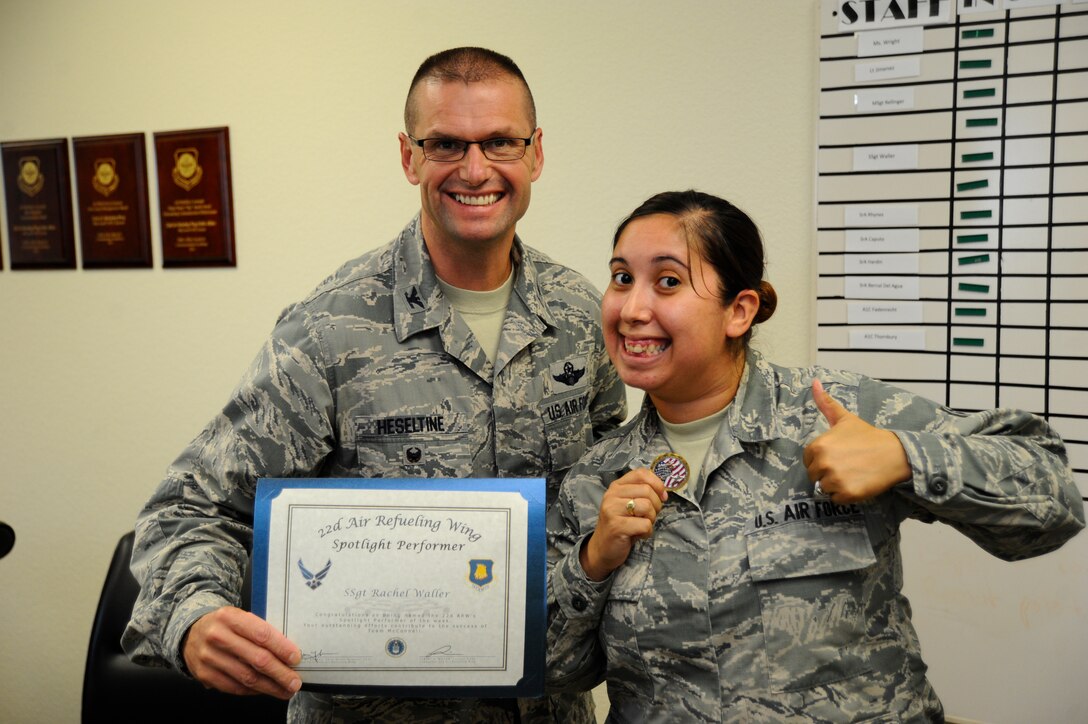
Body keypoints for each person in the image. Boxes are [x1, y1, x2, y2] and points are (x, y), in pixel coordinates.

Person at [122, 47, 626, 723]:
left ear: (535, 153)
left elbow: (606, 498)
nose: (475, 169)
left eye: (500, 142)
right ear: (409, 157)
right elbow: (189, 509)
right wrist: (194, 617)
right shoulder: (329, 330)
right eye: (445, 143)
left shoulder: (582, 318)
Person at [545, 190, 1085, 722]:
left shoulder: (838, 414)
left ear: (739, 310)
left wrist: (905, 456)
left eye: (668, 281)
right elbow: (558, 672)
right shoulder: (598, 475)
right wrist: (594, 562)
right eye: (622, 278)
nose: (633, 309)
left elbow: (1055, 499)